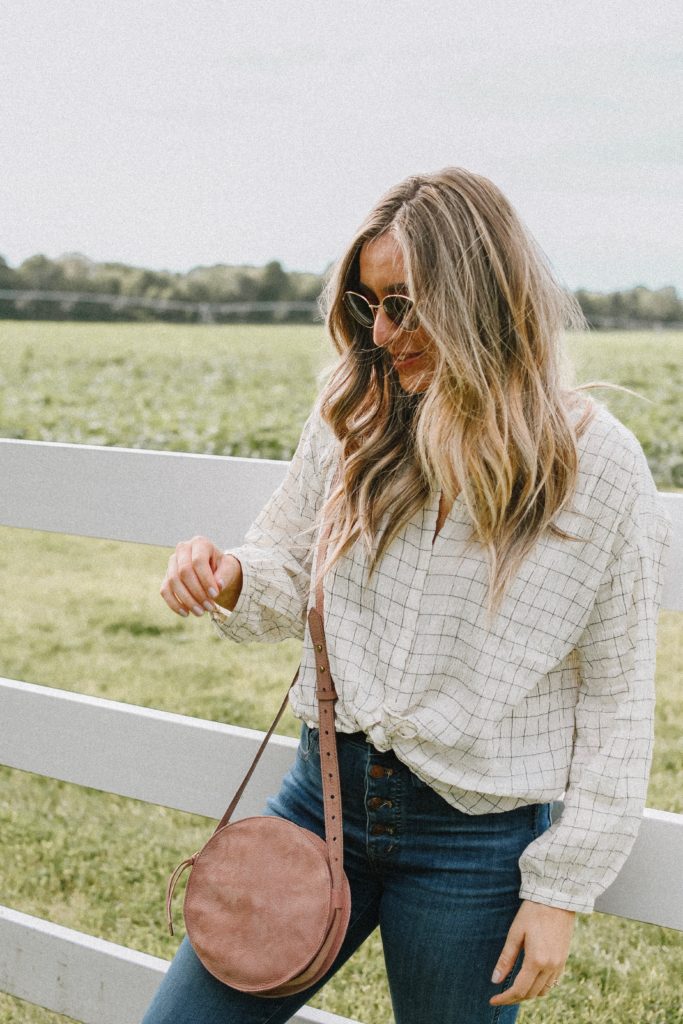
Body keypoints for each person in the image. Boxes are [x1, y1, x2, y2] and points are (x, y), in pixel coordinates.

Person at [144, 167, 672, 1024]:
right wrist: (231, 576)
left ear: (481, 297)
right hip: (322, 797)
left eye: (404, 303)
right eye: (367, 305)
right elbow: (285, 566)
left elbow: (617, 700)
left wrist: (560, 889)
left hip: (473, 842)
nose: (382, 333)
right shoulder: (353, 408)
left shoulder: (594, 464)